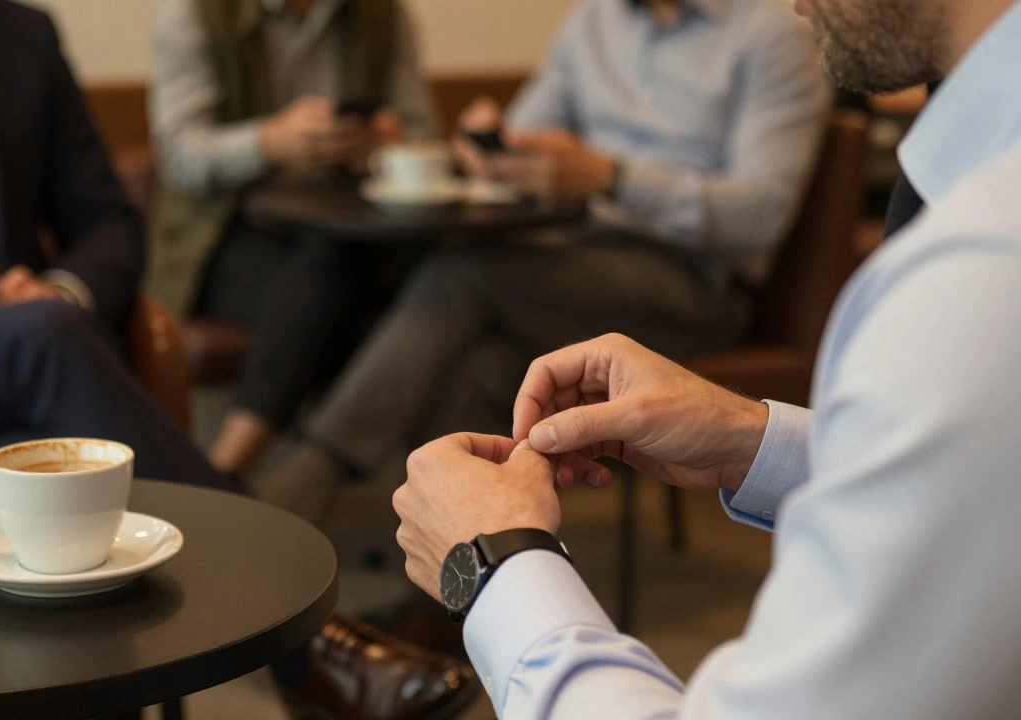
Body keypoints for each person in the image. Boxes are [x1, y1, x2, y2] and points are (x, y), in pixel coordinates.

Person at [0, 1, 474, 717]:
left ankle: (299, 635)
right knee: (41, 352)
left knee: (56, 519)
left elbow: (108, 222)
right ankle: (318, 643)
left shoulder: (15, 33)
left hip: (21, 369)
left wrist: (60, 290)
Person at [392, 0, 1021, 716]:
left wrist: (493, 564)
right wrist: (754, 439)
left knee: (454, 288)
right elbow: (972, 476)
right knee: (462, 325)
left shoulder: (985, 267)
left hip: (687, 280)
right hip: (584, 258)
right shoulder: (977, 232)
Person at [256, 0, 833, 523]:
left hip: (690, 283)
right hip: (569, 267)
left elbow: (760, 213)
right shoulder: (594, 22)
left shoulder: (772, 33)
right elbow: (527, 128)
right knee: (480, 363)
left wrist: (611, 179)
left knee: (464, 275)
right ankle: (451, 585)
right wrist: (495, 144)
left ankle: (312, 474)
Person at [145, 0, 437, 480]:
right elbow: (179, 155)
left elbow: (423, 134)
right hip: (226, 235)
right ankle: (236, 474)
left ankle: (229, 475)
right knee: (387, 297)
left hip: (360, 235)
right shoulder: (196, 13)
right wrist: (270, 142)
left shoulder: (382, 15)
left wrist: (387, 146)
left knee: (396, 276)